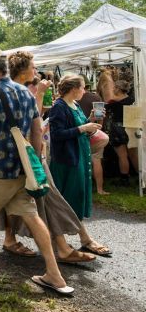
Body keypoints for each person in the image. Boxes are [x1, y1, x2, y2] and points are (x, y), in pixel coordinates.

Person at [0, 49, 72, 295]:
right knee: (32, 216)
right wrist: (35, 163)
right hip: (22, 170)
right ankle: (54, 274)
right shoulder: (27, 92)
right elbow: (37, 133)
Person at [0, 51, 107, 264]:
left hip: (32, 155)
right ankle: (61, 252)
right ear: (24, 68)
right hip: (24, 155)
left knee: (42, 201)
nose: (36, 69)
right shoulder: (15, 92)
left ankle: (63, 248)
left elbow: (33, 122)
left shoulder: (26, 90)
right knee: (41, 200)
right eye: (33, 65)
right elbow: (31, 124)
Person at [48, 75, 111, 257]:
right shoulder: (59, 106)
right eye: (83, 87)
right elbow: (58, 134)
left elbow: (79, 128)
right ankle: (82, 239)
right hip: (67, 160)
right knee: (69, 199)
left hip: (79, 156)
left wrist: (89, 121)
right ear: (74, 88)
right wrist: (83, 128)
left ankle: (79, 239)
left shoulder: (74, 105)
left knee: (77, 196)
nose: (85, 91)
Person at [99, 72, 135, 186]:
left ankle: (124, 179)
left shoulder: (113, 103)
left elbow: (102, 111)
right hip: (130, 128)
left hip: (117, 130)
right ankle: (137, 176)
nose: (113, 89)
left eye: (114, 87)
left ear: (119, 89)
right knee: (132, 154)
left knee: (122, 156)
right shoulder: (132, 100)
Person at [78, 84, 109, 195]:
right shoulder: (95, 98)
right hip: (94, 133)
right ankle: (100, 189)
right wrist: (100, 129)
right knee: (96, 160)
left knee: (81, 161)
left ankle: (85, 188)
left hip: (80, 133)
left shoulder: (72, 98)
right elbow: (100, 116)